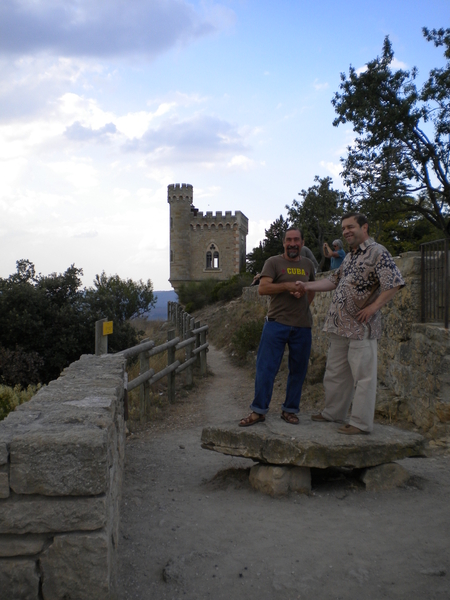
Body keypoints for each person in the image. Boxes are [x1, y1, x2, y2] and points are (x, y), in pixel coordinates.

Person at [295, 213, 405, 435]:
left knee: (363, 377)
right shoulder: (350, 257)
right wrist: (306, 286)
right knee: (335, 372)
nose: (346, 231)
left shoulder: (378, 252)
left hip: (360, 327)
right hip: (338, 325)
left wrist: (374, 308)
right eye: (344, 228)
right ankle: (333, 413)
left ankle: (360, 423)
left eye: (350, 227)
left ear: (365, 227)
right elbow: (333, 281)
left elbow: (394, 282)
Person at [239, 228, 315, 427]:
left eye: (296, 240)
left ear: (302, 242)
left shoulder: (308, 265)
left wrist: (304, 300)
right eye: (289, 240)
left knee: (298, 370)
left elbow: (312, 288)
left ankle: (290, 410)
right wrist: (287, 286)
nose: (292, 243)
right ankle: (259, 411)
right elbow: (263, 288)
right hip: (276, 323)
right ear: (283, 243)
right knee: (266, 369)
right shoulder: (273, 262)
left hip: (302, 326)